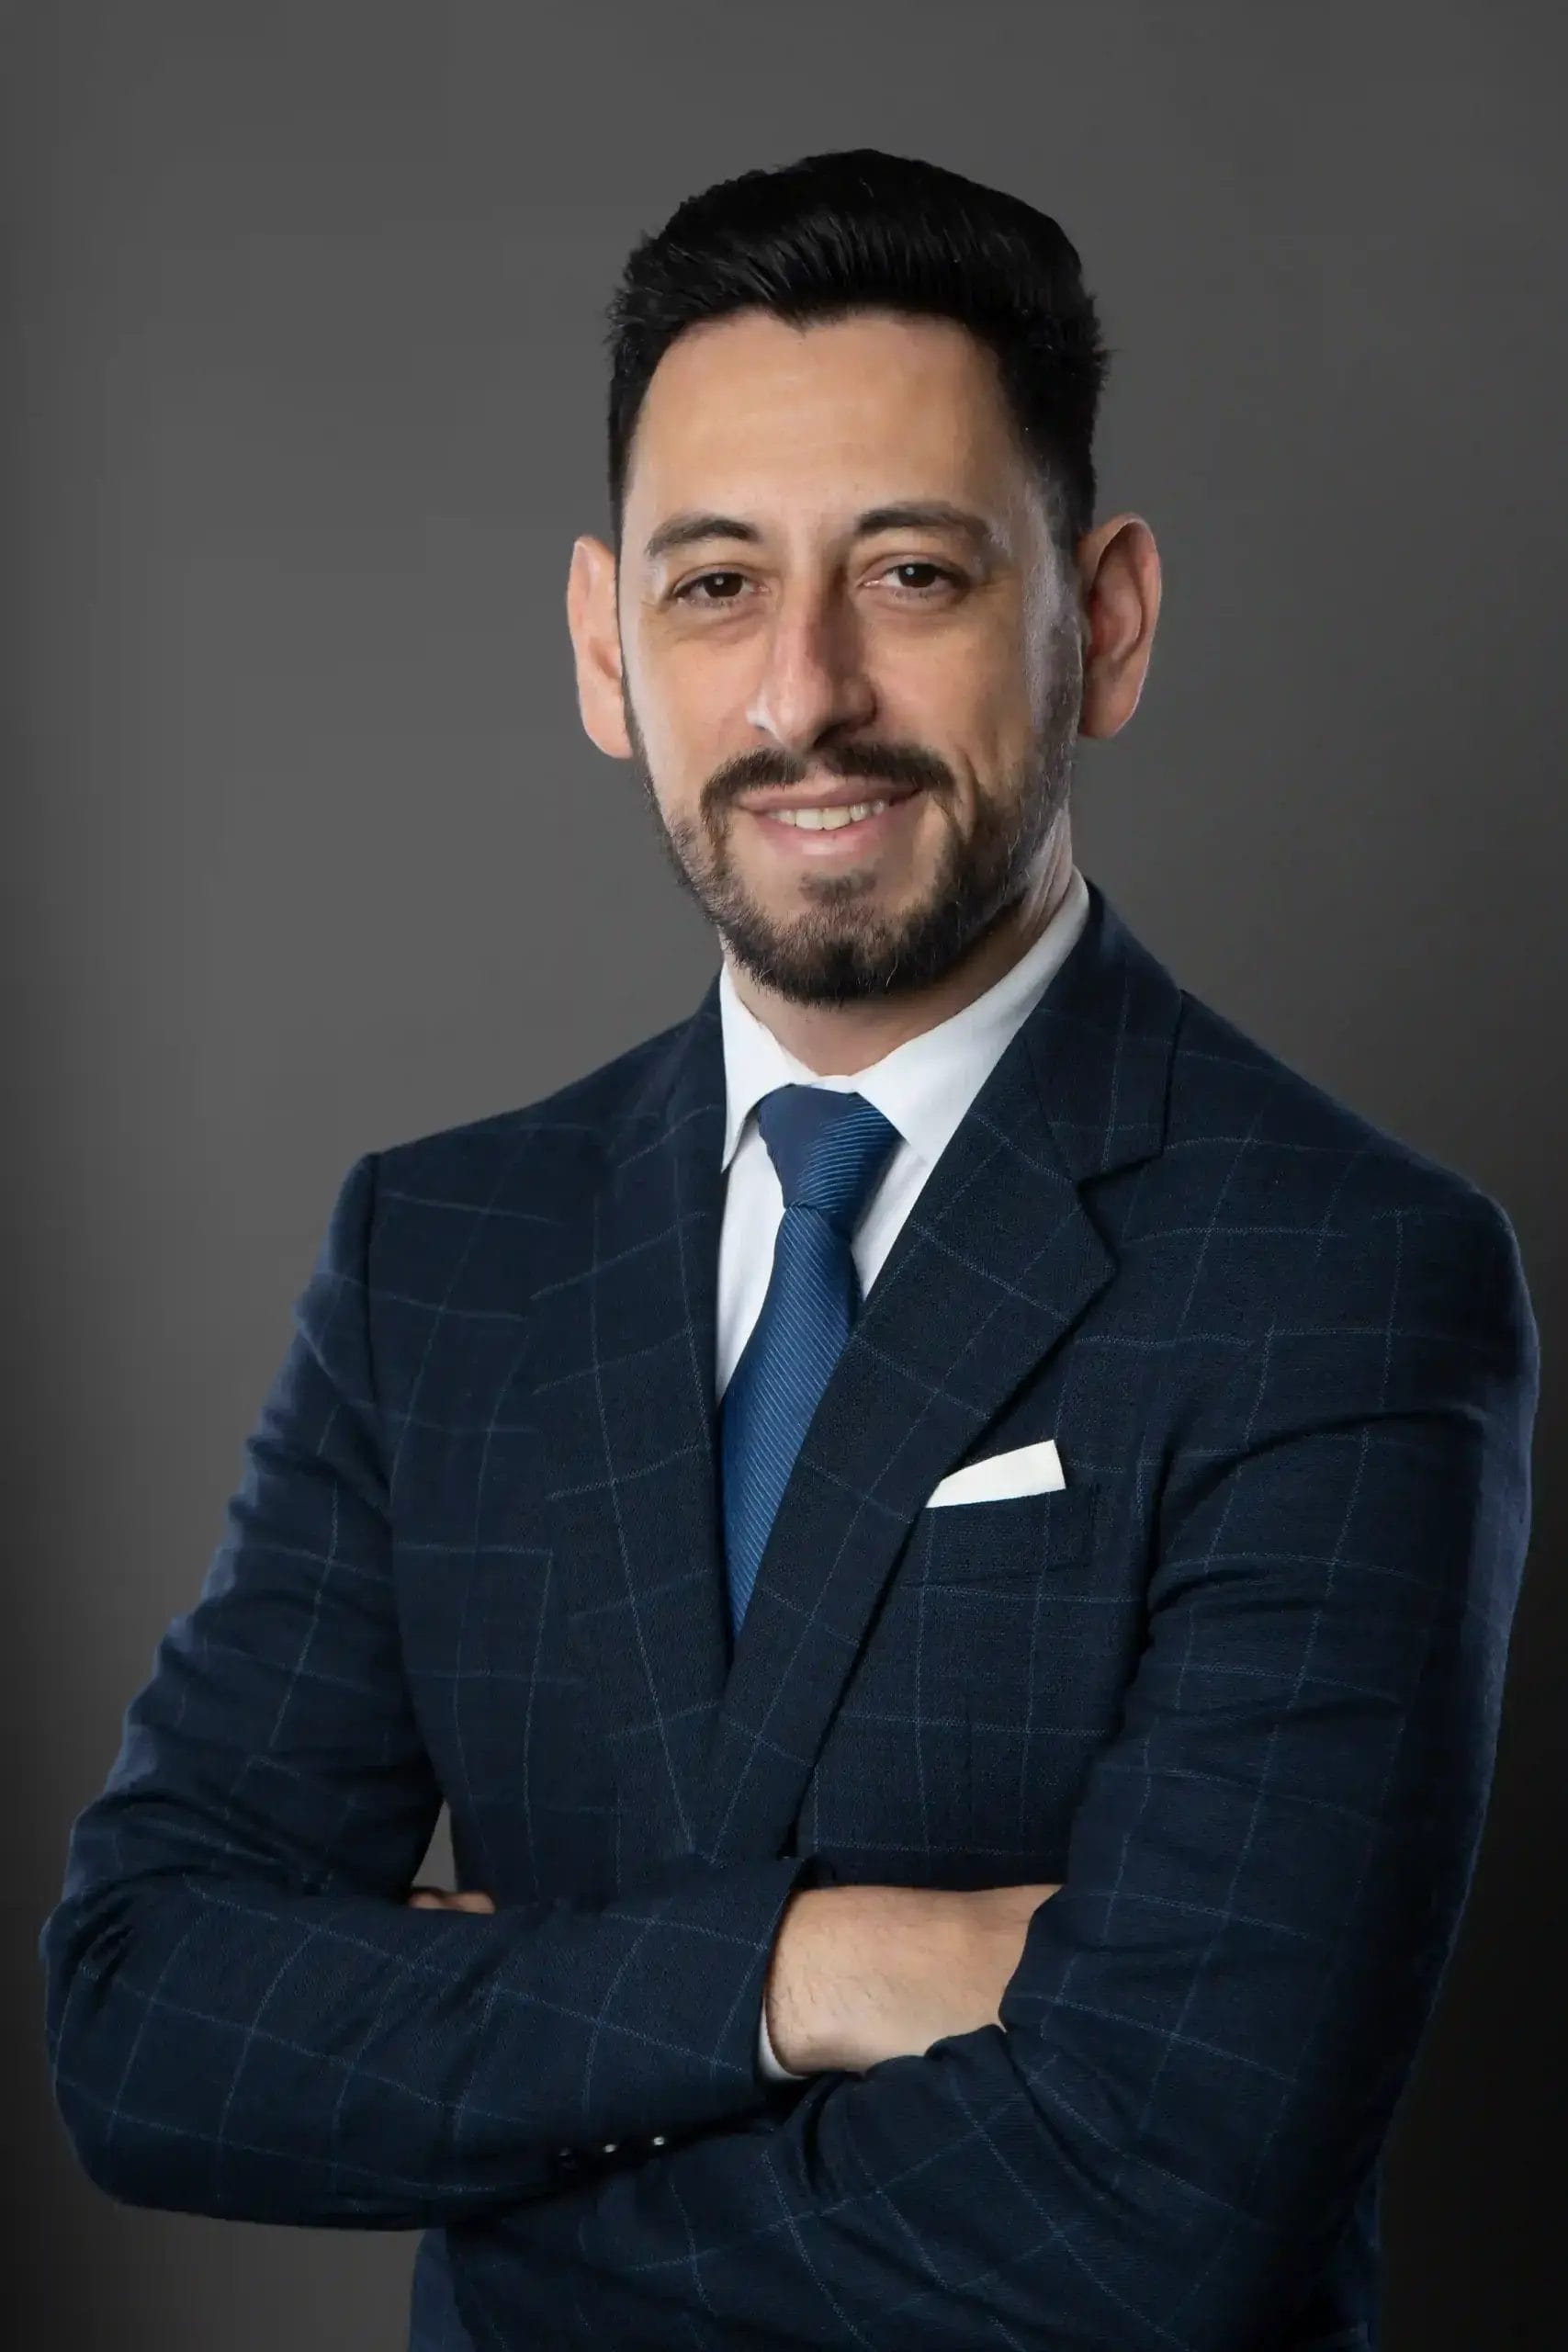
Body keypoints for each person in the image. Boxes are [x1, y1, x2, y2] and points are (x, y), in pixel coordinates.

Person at [40, 147, 1539, 2352]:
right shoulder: (440, 1251)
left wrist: (485, 2093)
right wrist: (804, 1971)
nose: (800, 693)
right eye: (714, 585)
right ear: (599, 644)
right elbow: (145, 2019)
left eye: (911, 572)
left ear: (1100, 619)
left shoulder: (1340, 1273)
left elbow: (1161, 2208)